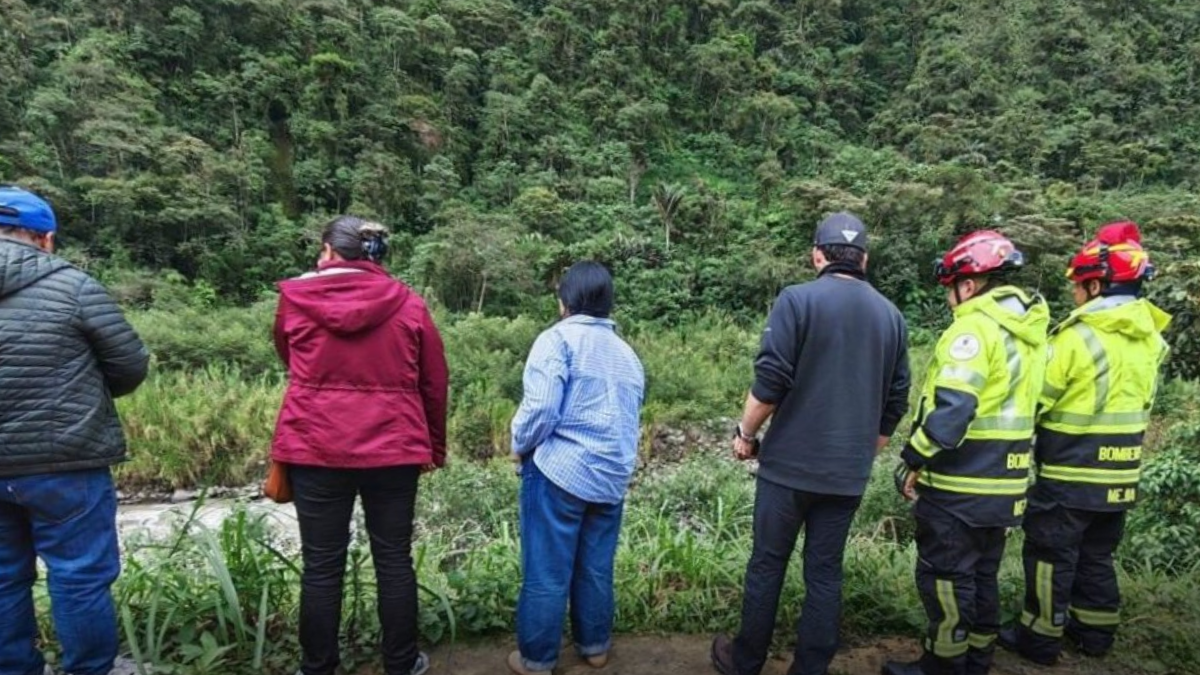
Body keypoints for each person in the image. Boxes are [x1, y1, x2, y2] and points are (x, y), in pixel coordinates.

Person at [710, 212, 911, 675]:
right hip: (846, 475)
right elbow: (896, 401)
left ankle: (746, 661)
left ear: (817, 255)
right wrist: (867, 449)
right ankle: (810, 668)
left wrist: (745, 435)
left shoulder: (796, 300)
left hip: (787, 470)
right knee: (824, 572)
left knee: (767, 564)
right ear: (864, 258)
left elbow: (770, 381)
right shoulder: (892, 316)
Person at [271, 216, 448, 675]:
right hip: (394, 446)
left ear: (330, 250)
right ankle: (400, 662)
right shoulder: (410, 304)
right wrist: (434, 448)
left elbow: (289, 357)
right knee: (393, 559)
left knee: (321, 565)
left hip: (314, 445)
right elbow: (434, 381)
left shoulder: (295, 300)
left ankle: (317, 668)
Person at [998, 223, 1170, 665]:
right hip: (1122, 473)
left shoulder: (1078, 337)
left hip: (1070, 473)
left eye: (1078, 286)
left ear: (1096, 284)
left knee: (1051, 556)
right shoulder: (1151, 340)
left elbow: (1040, 398)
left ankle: (1039, 638)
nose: (1074, 294)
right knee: (1097, 556)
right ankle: (1095, 635)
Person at [884, 230, 1049, 675]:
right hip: (1007, 483)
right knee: (981, 575)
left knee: (945, 576)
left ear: (970, 284)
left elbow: (953, 410)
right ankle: (977, 657)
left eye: (951, 288)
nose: (949, 299)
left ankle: (943, 663)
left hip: (961, 485)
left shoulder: (974, 329)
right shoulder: (1032, 334)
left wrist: (913, 459)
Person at [0, 186, 150, 675]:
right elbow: (129, 365)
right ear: (45, 239)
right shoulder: (74, 286)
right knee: (79, 578)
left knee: (2, 579)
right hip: (67, 459)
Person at [507, 261, 645, 675]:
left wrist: (518, 444)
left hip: (560, 473)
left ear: (565, 302)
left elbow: (542, 408)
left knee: (547, 569)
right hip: (610, 477)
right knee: (595, 567)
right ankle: (595, 647)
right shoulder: (627, 354)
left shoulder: (557, 340)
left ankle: (536, 659)